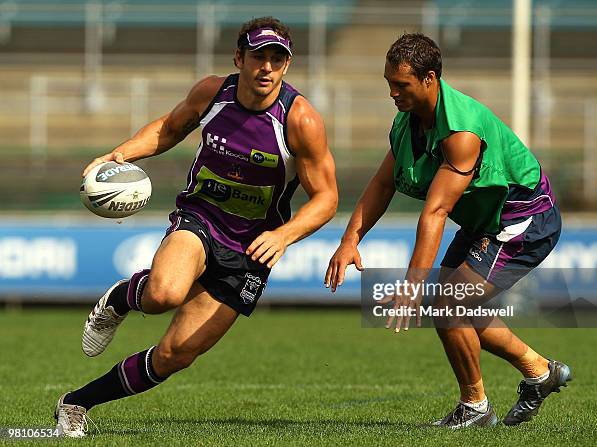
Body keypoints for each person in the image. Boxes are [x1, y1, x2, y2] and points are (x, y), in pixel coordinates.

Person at [55, 16, 338, 437]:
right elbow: (168, 129)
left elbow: (327, 198)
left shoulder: (300, 120)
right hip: (200, 219)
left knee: (175, 355)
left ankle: (76, 403)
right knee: (163, 293)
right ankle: (120, 298)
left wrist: (284, 235)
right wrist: (121, 154)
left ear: (286, 66)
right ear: (239, 57)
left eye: (277, 60)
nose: (267, 68)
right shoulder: (213, 93)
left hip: (251, 248)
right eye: (259, 56)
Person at [325, 33, 570, 428]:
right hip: (483, 221)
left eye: (401, 84)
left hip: (522, 220)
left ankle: (475, 408)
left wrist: (411, 285)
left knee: (448, 306)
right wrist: (349, 239)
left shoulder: (462, 131)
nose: (392, 92)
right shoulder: (406, 122)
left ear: (430, 78)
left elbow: (435, 212)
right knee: (454, 307)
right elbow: (383, 183)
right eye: (389, 82)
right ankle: (540, 372)